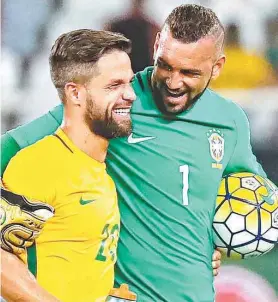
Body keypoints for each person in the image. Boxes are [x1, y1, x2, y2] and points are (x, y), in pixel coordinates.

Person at [0, 4, 264, 301]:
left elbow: (249, 195)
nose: (174, 82)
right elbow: (16, 146)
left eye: (189, 72)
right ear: (155, 47)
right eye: (166, 65)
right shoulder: (114, 106)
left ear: (217, 67)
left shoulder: (229, 121)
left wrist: (220, 241)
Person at [1, 29, 136, 302]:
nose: (131, 95)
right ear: (75, 93)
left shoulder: (99, 169)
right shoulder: (40, 164)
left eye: (129, 83)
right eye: (114, 86)